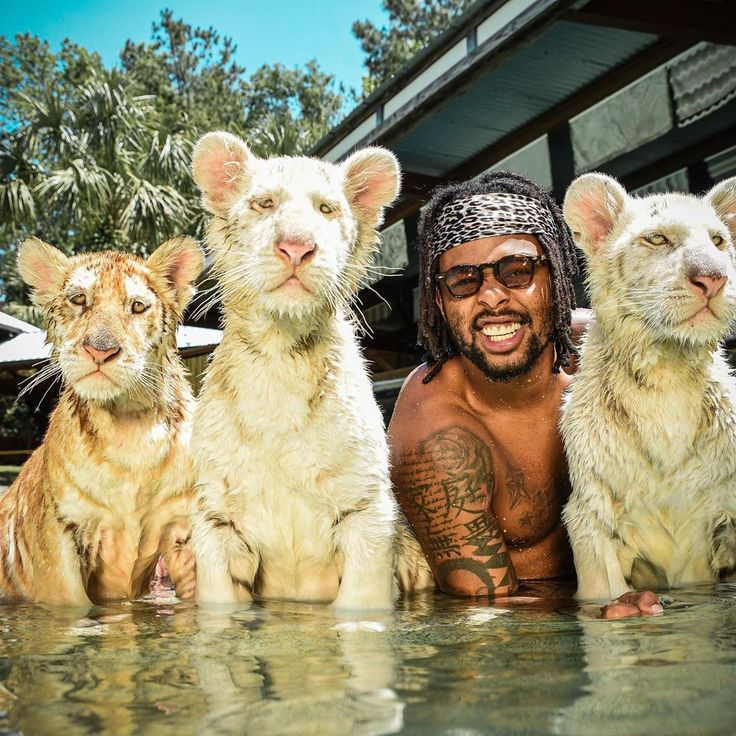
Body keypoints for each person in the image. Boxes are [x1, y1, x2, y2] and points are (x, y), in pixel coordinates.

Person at [388, 171, 661, 618]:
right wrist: (594, 610)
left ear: (555, 279)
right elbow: (487, 609)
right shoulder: (437, 429)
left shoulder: (604, 350)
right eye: (463, 281)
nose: (492, 297)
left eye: (517, 272)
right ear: (440, 302)